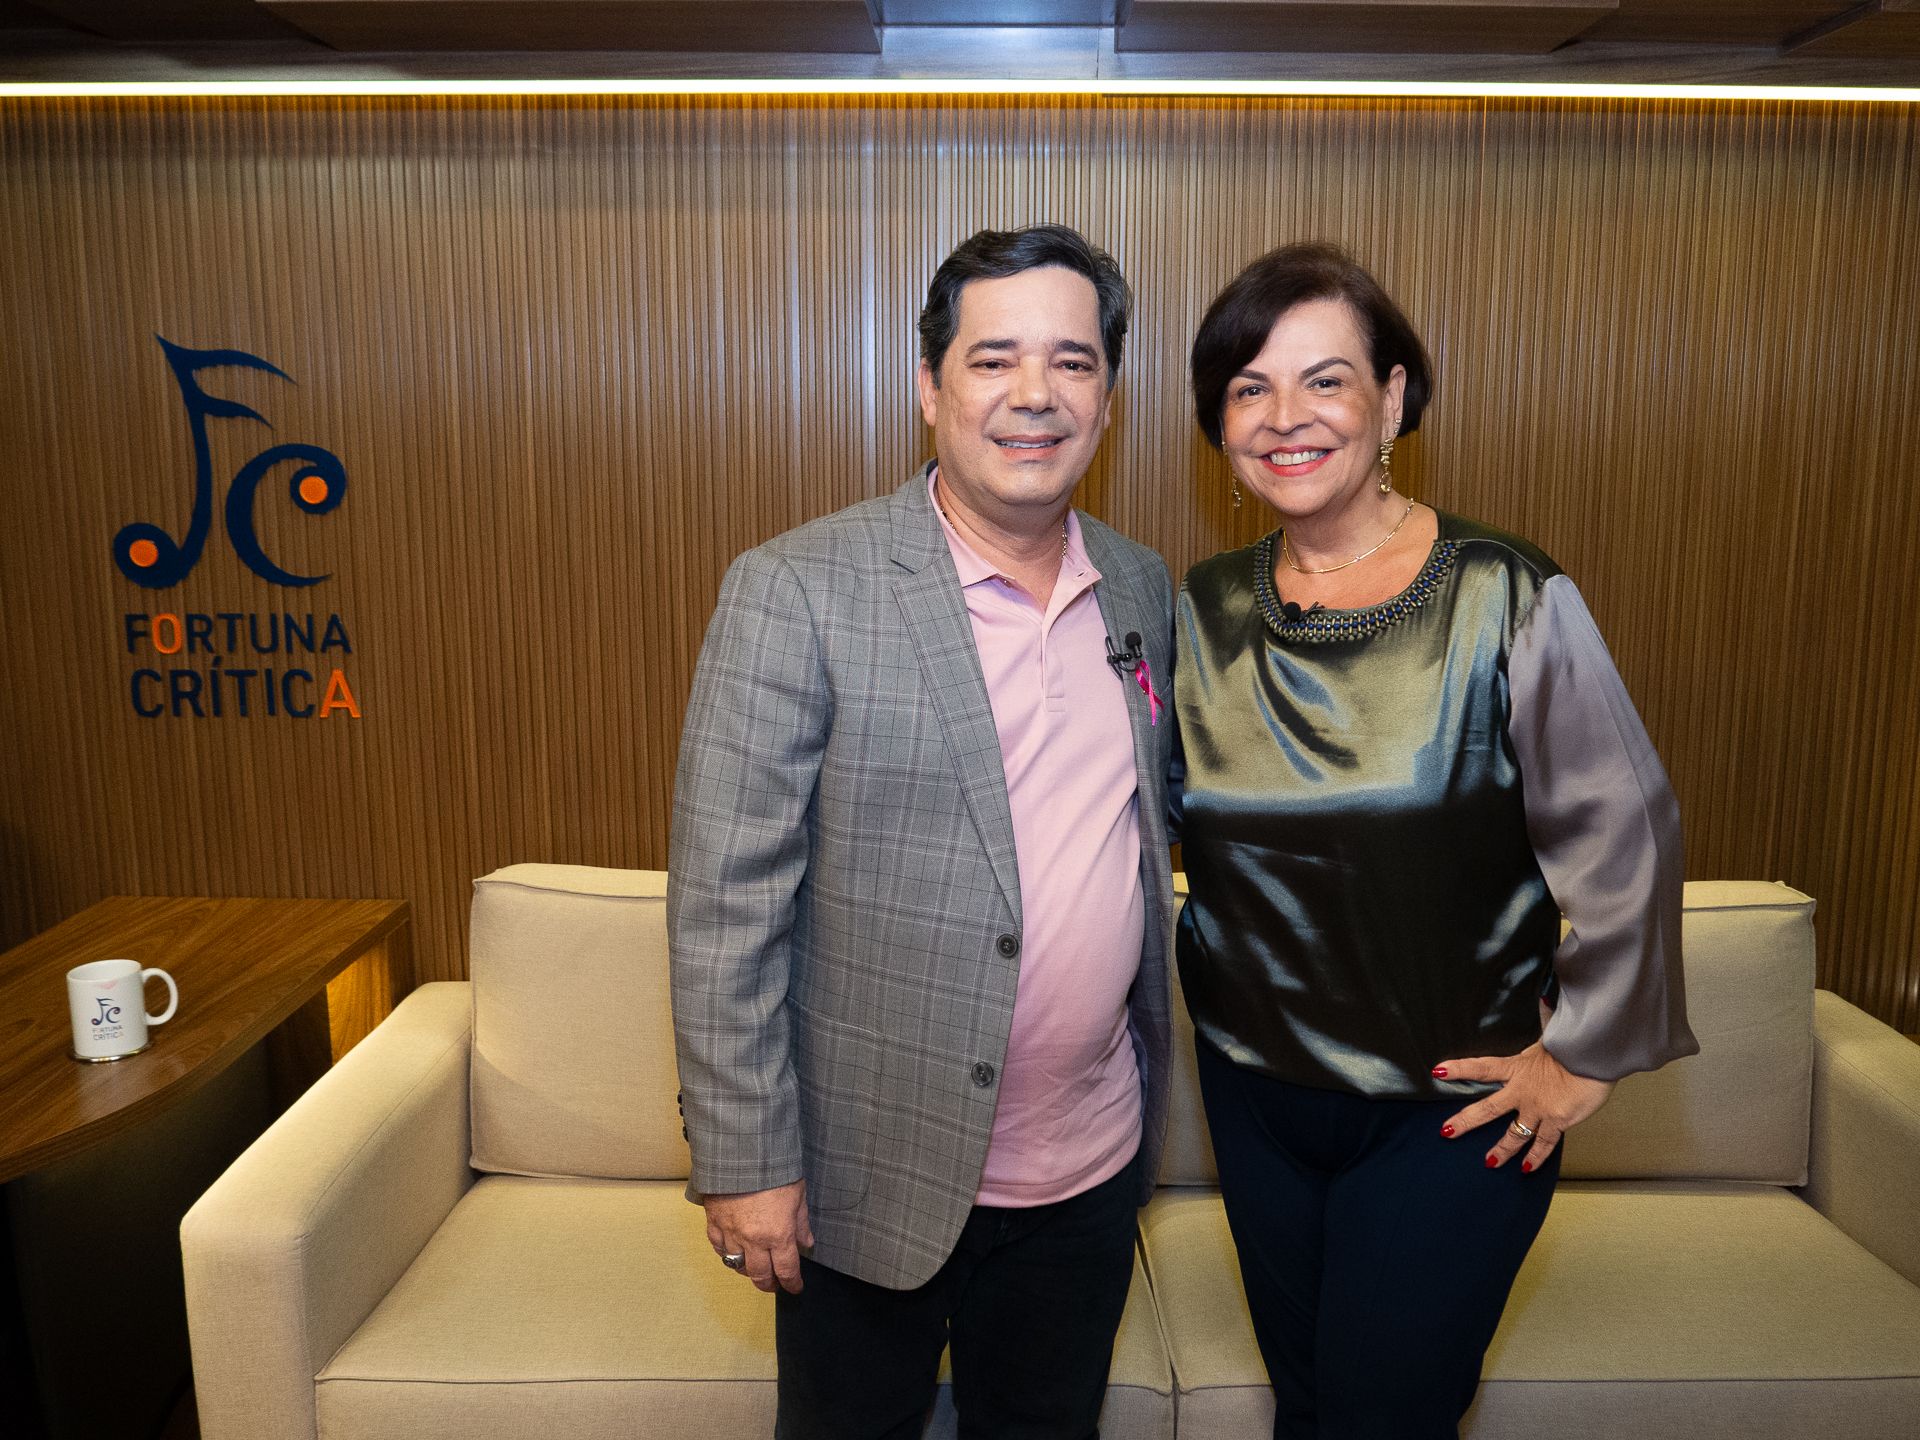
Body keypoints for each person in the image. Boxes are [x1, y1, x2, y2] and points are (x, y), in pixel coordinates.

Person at [1172, 242, 1699, 1439]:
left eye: (1325, 379)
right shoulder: (1198, 612)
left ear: (1393, 397)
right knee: (1311, 1406)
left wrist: (1584, 1057)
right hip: (1256, 1101)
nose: (1286, 416)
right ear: (1220, 423)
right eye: (1250, 387)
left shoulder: (1506, 592)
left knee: (1382, 1415)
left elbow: (1631, 838)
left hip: (1451, 1115)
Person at [669, 223, 1178, 1440]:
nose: (1034, 394)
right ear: (929, 387)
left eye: (1071, 361)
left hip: (1088, 1172)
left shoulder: (1142, 586)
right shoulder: (798, 588)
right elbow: (725, 905)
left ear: (1108, 398)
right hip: (867, 1175)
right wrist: (745, 1158)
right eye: (993, 359)